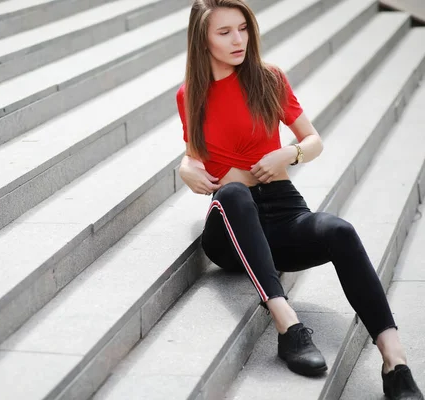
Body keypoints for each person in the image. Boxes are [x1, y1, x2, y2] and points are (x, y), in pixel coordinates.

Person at [176, 1, 423, 398]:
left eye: (242, 28)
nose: (238, 39)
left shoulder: (268, 78)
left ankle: (396, 362)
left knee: (338, 230)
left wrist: (288, 153)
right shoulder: (191, 95)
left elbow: (313, 140)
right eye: (224, 32)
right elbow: (193, 152)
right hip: (231, 224)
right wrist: (186, 167)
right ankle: (288, 326)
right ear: (202, 40)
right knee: (236, 193)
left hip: (283, 206)